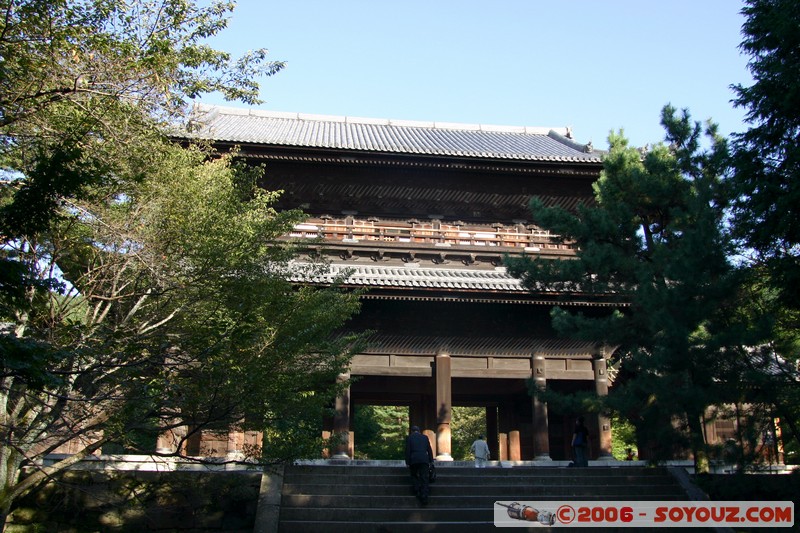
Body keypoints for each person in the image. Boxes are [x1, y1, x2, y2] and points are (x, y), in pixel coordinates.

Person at [405, 425, 434, 505]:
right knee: (424, 478)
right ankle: (424, 496)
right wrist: (431, 460)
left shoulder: (409, 438)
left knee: (414, 475)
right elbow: (429, 449)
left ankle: (417, 489)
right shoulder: (425, 437)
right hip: (424, 459)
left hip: (414, 459)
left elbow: (408, 450)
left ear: (412, 431)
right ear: (419, 431)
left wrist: (407, 462)